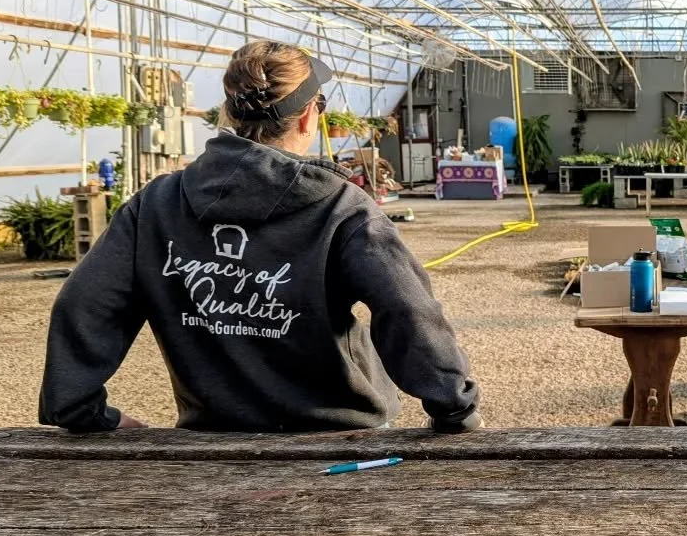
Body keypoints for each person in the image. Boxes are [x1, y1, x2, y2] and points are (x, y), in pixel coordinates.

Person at [39, 40, 481, 434]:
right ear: (309, 116)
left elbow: (85, 304)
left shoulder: (155, 205)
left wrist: (80, 408)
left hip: (213, 433)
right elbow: (407, 308)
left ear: (227, 111)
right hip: (343, 432)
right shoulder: (340, 208)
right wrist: (454, 407)